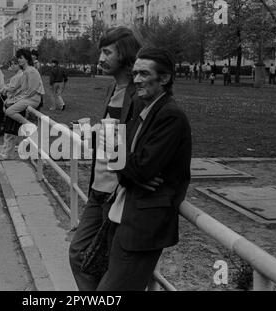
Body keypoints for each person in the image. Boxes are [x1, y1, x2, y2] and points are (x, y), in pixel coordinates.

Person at [69, 26, 162, 291]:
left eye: (107, 52)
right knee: (78, 254)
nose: (101, 58)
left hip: (117, 194)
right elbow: (113, 135)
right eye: (101, 51)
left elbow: (142, 144)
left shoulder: (138, 93)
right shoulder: (114, 87)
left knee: (110, 265)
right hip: (98, 189)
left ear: (125, 54)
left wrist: (137, 175)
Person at [100, 47, 192, 291]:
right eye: (135, 73)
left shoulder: (171, 116)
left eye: (143, 74)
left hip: (143, 226)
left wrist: (126, 164)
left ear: (164, 78)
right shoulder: (141, 106)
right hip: (124, 213)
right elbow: (121, 160)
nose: (136, 80)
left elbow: (139, 167)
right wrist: (129, 168)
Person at [3, 48, 44, 127]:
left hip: (33, 99)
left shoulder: (31, 71)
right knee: (7, 105)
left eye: (21, 58)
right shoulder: (25, 71)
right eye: (18, 58)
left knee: (9, 111)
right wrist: (4, 89)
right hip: (27, 98)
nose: (18, 60)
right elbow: (15, 87)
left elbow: (32, 90)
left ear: (27, 59)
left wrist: (17, 99)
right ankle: (24, 126)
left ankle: (30, 125)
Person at [0, 58, 25, 160]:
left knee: (10, 131)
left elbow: (12, 88)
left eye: (13, 64)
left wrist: (3, 89)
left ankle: (6, 153)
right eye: (11, 64)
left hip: (14, 104)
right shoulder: (18, 76)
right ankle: (7, 152)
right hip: (13, 103)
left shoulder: (19, 76)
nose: (11, 66)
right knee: (10, 130)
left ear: (18, 65)